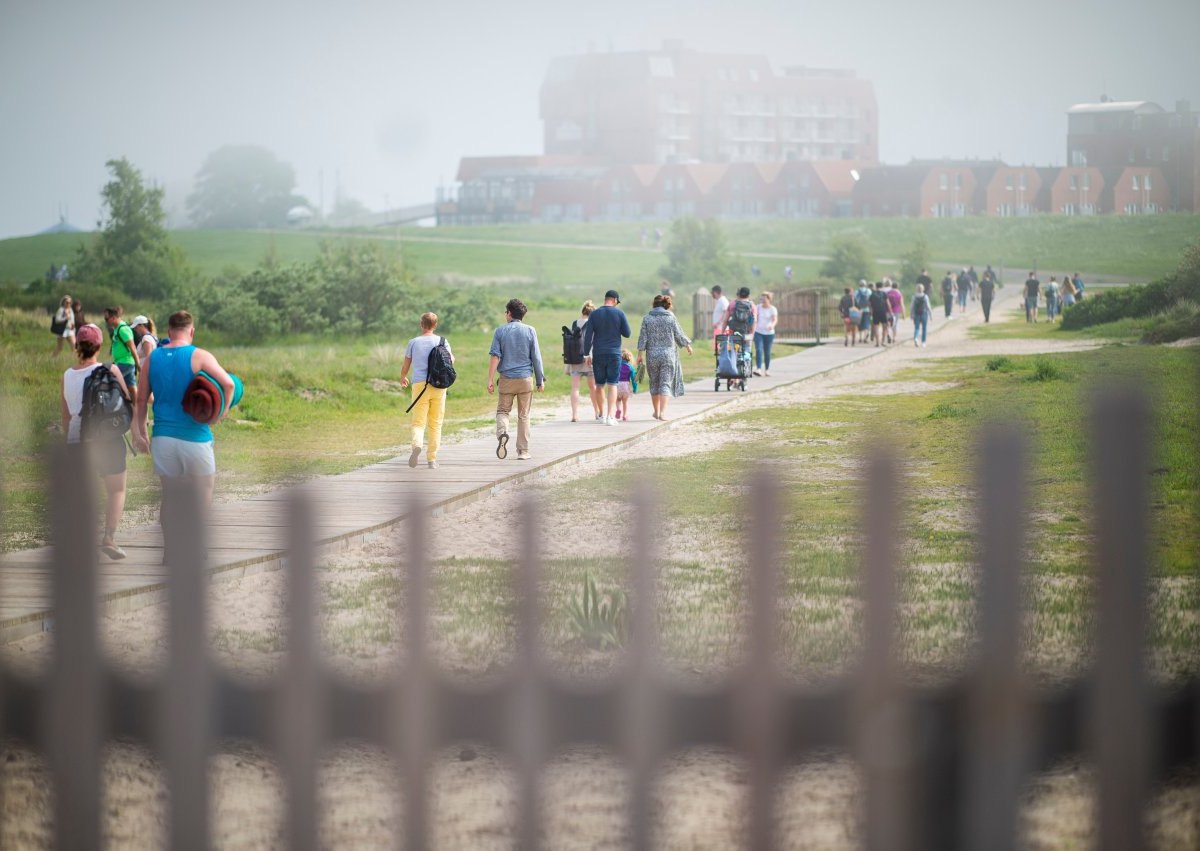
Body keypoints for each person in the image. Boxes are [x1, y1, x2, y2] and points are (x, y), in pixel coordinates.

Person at [132, 310, 235, 512]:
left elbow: (142, 399)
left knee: (170, 497)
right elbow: (229, 385)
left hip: (163, 439)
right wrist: (220, 413)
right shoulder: (200, 356)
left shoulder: (152, 359)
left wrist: (142, 434)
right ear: (192, 331)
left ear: (169, 331)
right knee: (203, 492)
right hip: (195, 437)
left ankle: (172, 542)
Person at [61, 323, 131, 560]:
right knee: (116, 489)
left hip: (77, 440)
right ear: (100, 345)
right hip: (107, 439)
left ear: (77, 346)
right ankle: (109, 538)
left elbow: (66, 416)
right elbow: (125, 400)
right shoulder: (110, 370)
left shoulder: (67, 376)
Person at [487, 298, 544, 460]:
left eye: (506, 312)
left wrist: (490, 379)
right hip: (525, 379)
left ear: (509, 314)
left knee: (503, 411)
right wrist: (540, 380)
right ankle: (523, 451)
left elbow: (495, 356)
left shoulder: (500, 331)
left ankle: (503, 433)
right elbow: (536, 358)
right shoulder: (530, 330)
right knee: (524, 415)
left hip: (506, 379)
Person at [400, 312, 455, 470]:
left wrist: (403, 377)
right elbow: (451, 360)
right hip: (439, 385)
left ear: (421, 324)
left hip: (419, 385)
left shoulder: (413, 342)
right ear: (435, 325)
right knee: (436, 424)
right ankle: (432, 459)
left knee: (418, 422)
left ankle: (417, 445)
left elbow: (406, 364)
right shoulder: (442, 341)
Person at [637, 294, 693, 421]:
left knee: (654, 383)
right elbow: (679, 334)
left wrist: (639, 355)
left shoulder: (647, 318)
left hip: (652, 355)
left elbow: (642, 338)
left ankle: (656, 412)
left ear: (654, 304)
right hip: (668, 355)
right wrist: (687, 345)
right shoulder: (671, 317)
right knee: (665, 384)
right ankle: (662, 413)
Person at [582, 290, 631, 426]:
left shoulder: (594, 314)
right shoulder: (619, 313)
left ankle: (601, 415)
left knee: (599, 385)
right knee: (613, 384)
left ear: (605, 299)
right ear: (615, 300)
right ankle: (610, 417)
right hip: (614, 353)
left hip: (598, 353)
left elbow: (588, 336)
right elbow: (627, 333)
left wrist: (587, 354)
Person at [565, 301, 602, 423]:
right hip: (589, 361)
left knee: (575, 388)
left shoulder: (575, 323)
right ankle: (597, 412)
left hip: (575, 361)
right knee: (593, 388)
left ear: (583, 311)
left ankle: (575, 415)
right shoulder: (594, 323)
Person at [103, 306, 139, 392]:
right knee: (131, 387)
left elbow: (132, 347)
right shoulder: (117, 328)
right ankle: (135, 405)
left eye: (107, 319)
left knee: (110, 381)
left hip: (125, 362)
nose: (106, 321)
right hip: (123, 361)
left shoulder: (123, 329)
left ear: (113, 318)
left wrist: (138, 364)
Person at [753, 291, 777, 376]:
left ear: (769, 299)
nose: (762, 300)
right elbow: (754, 317)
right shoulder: (758, 307)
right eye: (761, 299)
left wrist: (772, 325)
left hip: (769, 333)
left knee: (767, 351)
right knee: (759, 349)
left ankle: (767, 369)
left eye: (764, 299)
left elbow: (774, 320)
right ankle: (758, 368)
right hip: (758, 332)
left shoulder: (772, 309)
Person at [868, 282, 890, 347]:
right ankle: (883, 341)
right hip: (883, 312)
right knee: (885, 327)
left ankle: (877, 342)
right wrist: (890, 312)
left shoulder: (872, 294)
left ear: (876, 287)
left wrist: (871, 312)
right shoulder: (884, 294)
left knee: (876, 327)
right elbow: (888, 303)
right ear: (882, 286)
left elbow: (869, 304)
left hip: (875, 312)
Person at [615, 350, 635, 421]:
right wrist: (635, 388)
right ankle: (625, 415)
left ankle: (618, 409)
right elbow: (633, 379)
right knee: (625, 402)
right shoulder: (630, 367)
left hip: (618, 385)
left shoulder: (617, 366)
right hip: (626, 385)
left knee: (617, 400)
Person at [886, 279, 906, 344]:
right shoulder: (899, 294)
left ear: (891, 286)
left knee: (888, 324)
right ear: (897, 287)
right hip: (896, 311)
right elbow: (902, 304)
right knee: (895, 325)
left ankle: (888, 334)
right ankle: (894, 338)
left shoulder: (888, 293)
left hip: (888, 311)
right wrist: (904, 314)